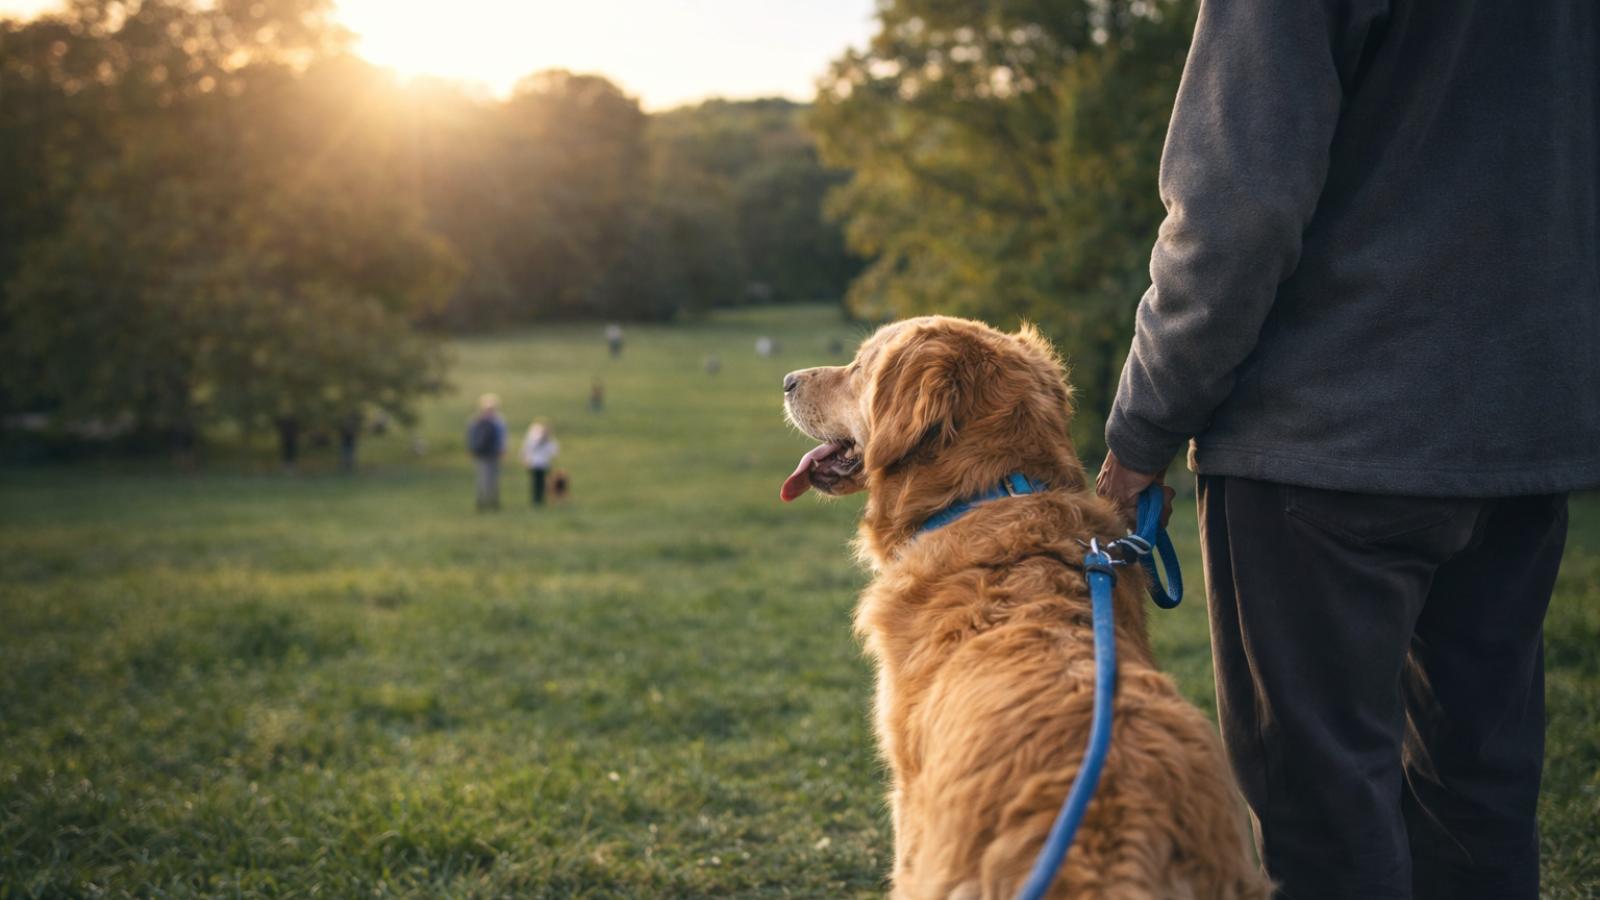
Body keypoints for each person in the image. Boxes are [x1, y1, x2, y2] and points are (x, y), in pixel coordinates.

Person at [1096, 4, 1597, 899]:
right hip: (1524, 435)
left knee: (1325, 822)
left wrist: (1142, 432)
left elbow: (1234, 209)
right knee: (1481, 799)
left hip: (1323, 450)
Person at [466, 394, 507, 511]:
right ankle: (482, 500)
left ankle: (493, 500)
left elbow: (502, 437)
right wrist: (472, 448)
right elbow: (471, 436)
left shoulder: (498, 421)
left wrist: (502, 449)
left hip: (494, 452)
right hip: (482, 453)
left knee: (493, 478)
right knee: (482, 477)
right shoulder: (476, 421)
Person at [520, 420, 560, 506]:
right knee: (536, 483)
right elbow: (528, 448)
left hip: (544, 464)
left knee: (544, 484)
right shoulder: (535, 439)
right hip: (535, 464)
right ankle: (536, 500)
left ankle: (542, 500)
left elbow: (554, 451)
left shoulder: (550, 441)